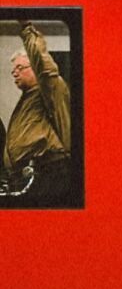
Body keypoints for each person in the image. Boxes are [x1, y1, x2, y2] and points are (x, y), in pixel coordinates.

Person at [2, 21, 71, 205]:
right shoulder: (29, 97)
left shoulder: (49, 89)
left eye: (20, 68)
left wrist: (27, 29)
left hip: (48, 174)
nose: (14, 73)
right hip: (29, 177)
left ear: (35, 67)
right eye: (13, 70)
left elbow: (45, 67)